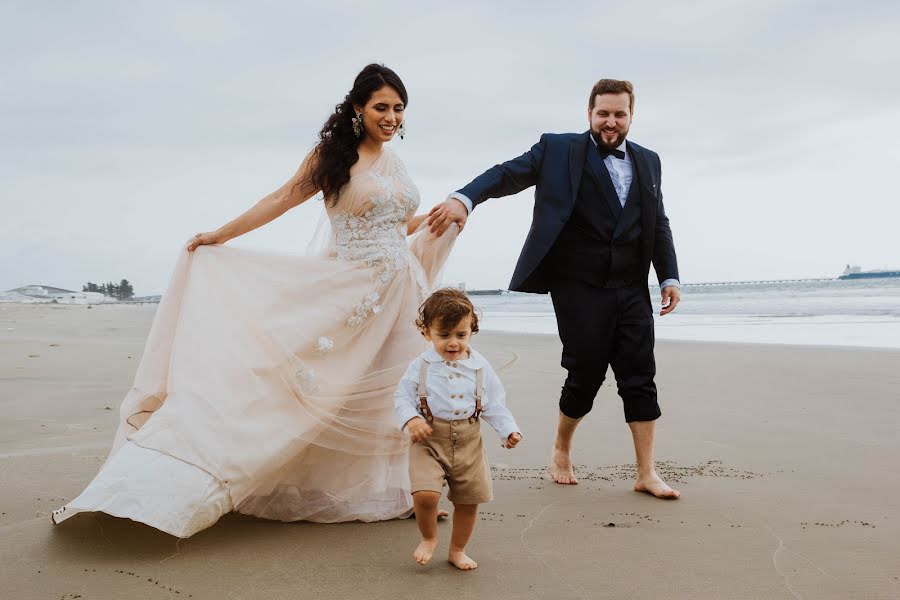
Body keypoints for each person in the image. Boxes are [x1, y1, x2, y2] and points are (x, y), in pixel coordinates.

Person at [52, 63, 459, 538]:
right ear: (358, 109)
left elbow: (390, 226)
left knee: (394, 391)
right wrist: (221, 234)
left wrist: (433, 221)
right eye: (381, 108)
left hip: (403, 290)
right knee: (322, 387)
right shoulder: (333, 158)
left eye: (398, 108)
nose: (391, 117)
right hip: (353, 290)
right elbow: (281, 198)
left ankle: (398, 492)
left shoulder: (396, 163)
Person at [427, 78, 681, 499]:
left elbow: (658, 222)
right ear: (589, 114)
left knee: (640, 377)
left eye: (620, 114)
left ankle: (646, 473)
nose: (611, 122)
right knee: (585, 374)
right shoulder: (559, 149)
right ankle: (562, 447)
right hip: (578, 285)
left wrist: (668, 276)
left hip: (631, 286)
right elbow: (506, 174)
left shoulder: (649, 161)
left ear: (631, 116)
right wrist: (465, 198)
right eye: (603, 113)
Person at [394, 288, 522, 570]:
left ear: (471, 331)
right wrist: (412, 420)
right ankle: (429, 538)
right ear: (427, 333)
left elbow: (494, 403)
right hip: (428, 438)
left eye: (460, 335)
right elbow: (402, 397)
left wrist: (508, 430)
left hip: (469, 441)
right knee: (425, 494)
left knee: (468, 501)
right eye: (444, 335)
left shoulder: (480, 367)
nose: (453, 343)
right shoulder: (421, 366)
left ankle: (457, 549)